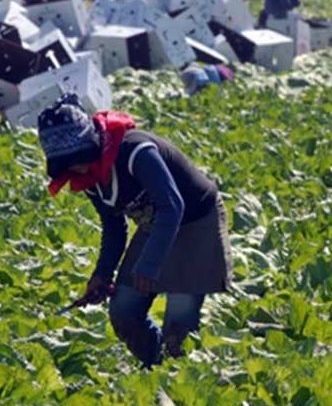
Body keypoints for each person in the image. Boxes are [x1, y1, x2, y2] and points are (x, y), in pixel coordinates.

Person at [38, 94, 232, 366]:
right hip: (155, 225)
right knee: (124, 311)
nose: (76, 167)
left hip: (196, 222)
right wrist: (102, 274)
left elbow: (172, 206)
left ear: (90, 144)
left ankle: (177, 380)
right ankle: (154, 367)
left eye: (79, 157)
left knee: (179, 324)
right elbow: (114, 226)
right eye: (67, 163)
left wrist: (149, 265)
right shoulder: (88, 176)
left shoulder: (135, 151)